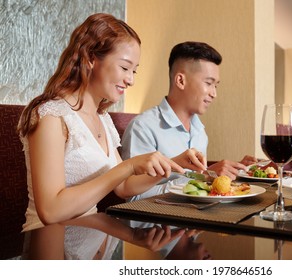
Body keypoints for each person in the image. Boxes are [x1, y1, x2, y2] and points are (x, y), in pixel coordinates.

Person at [17, 13, 206, 259]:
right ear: (90, 58)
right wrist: (127, 166)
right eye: (125, 67)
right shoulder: (51, 115)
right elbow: (51, 211)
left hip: (93, 234)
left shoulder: (102, 118)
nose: (131, 79)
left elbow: (125, 187)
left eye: (135, 70)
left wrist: (174, 163)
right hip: (49, 240)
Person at [120, 41, 258, 202]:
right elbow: (134, 197)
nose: (214, 94)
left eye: (216, 86)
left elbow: (200, 187)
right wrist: (202, 177)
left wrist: (235, 172)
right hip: (152, 226)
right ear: (180, 81)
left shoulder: (200, 132)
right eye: (208, 83)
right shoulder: (143, 127)